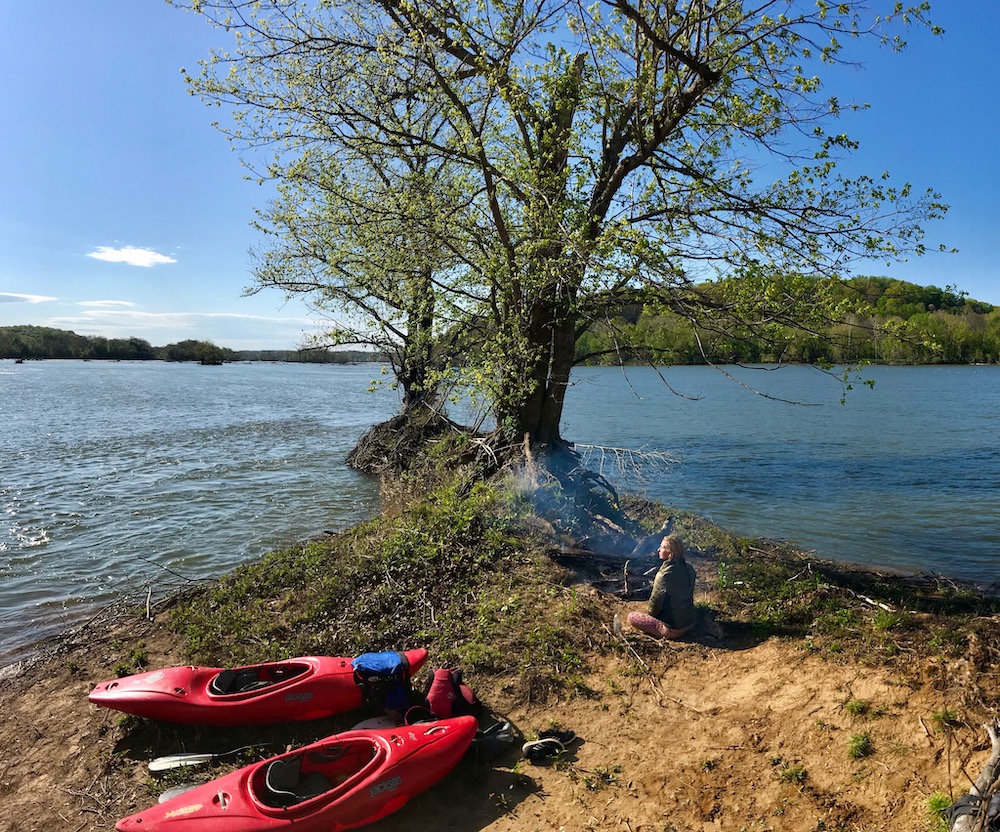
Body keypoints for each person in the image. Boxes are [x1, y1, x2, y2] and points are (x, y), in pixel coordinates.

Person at [626, 534, 697, 639]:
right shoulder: (690, 569)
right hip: (691, 622)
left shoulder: (664, 574)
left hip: (673, 629)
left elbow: (654, 604)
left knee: (631, 617)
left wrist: (651, 616)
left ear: (670, 553)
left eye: (662, 547)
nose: (658, 550)